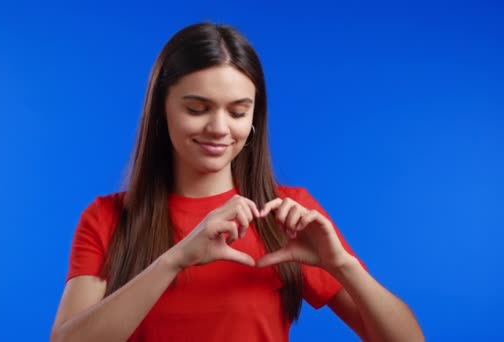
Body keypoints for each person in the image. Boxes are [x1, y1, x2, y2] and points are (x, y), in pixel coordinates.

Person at [50, 22, 424, 342]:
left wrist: (342, 265)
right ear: (162, 110)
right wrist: (176, 259)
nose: (219, 128)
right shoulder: (108, 217)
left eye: (238, 111)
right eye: (197, 109)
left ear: (253, 117)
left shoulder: (287, 216)